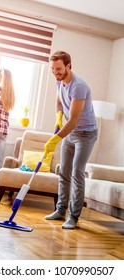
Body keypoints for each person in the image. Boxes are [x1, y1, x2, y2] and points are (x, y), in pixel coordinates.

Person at [43, 50, 98, 229]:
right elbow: (59, 101)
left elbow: (74, 121)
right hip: (71, 132)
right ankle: (60, 211)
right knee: (63, 172)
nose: (55, 72)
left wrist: (54, 139)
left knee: (77, 172)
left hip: (85, 134)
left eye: (58, 68)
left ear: (68, 66)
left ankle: (73, 217)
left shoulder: (79, 86)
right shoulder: (59, 81)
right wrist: (59, 116)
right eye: (53, 69)